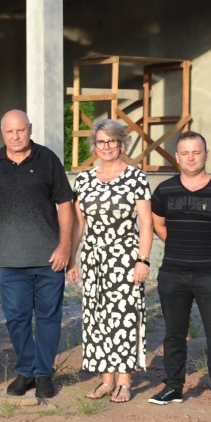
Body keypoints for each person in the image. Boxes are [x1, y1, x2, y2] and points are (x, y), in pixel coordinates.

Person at [0, 109, 74, 400]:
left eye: (20, 130)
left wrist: (65, 246)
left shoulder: (47, 159)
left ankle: (43, 374)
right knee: (16, 318)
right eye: (9, 131)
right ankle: (27, 370)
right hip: (11, 260)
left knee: (48, 318)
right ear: (2, 133)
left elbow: (66, 205)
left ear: (29, 128)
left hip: (49, 259)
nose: (15, 136)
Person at [148, 131, 211, 413]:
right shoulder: (164, 190)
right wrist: (181, 247)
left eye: (196, 152)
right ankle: (173, 387)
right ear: (177, 157)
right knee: (173, 334)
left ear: (206, 154)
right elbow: (158, 225)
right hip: (173, 273)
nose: (191, 158)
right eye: (185, 153)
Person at [66, 119, 153, 404]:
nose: (106, 147)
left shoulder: (136, 178)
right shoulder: (84, 179)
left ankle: (124, 382)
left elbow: (146, 223)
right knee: (97, 316)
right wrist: (72, 258)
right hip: (92, 258)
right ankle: (106, 380)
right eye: (101, 141)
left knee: (124, 316)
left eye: (112, 141)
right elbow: (79, 223)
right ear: (94, 145)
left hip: (125, 257)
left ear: (122, 144)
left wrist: (143, 260)